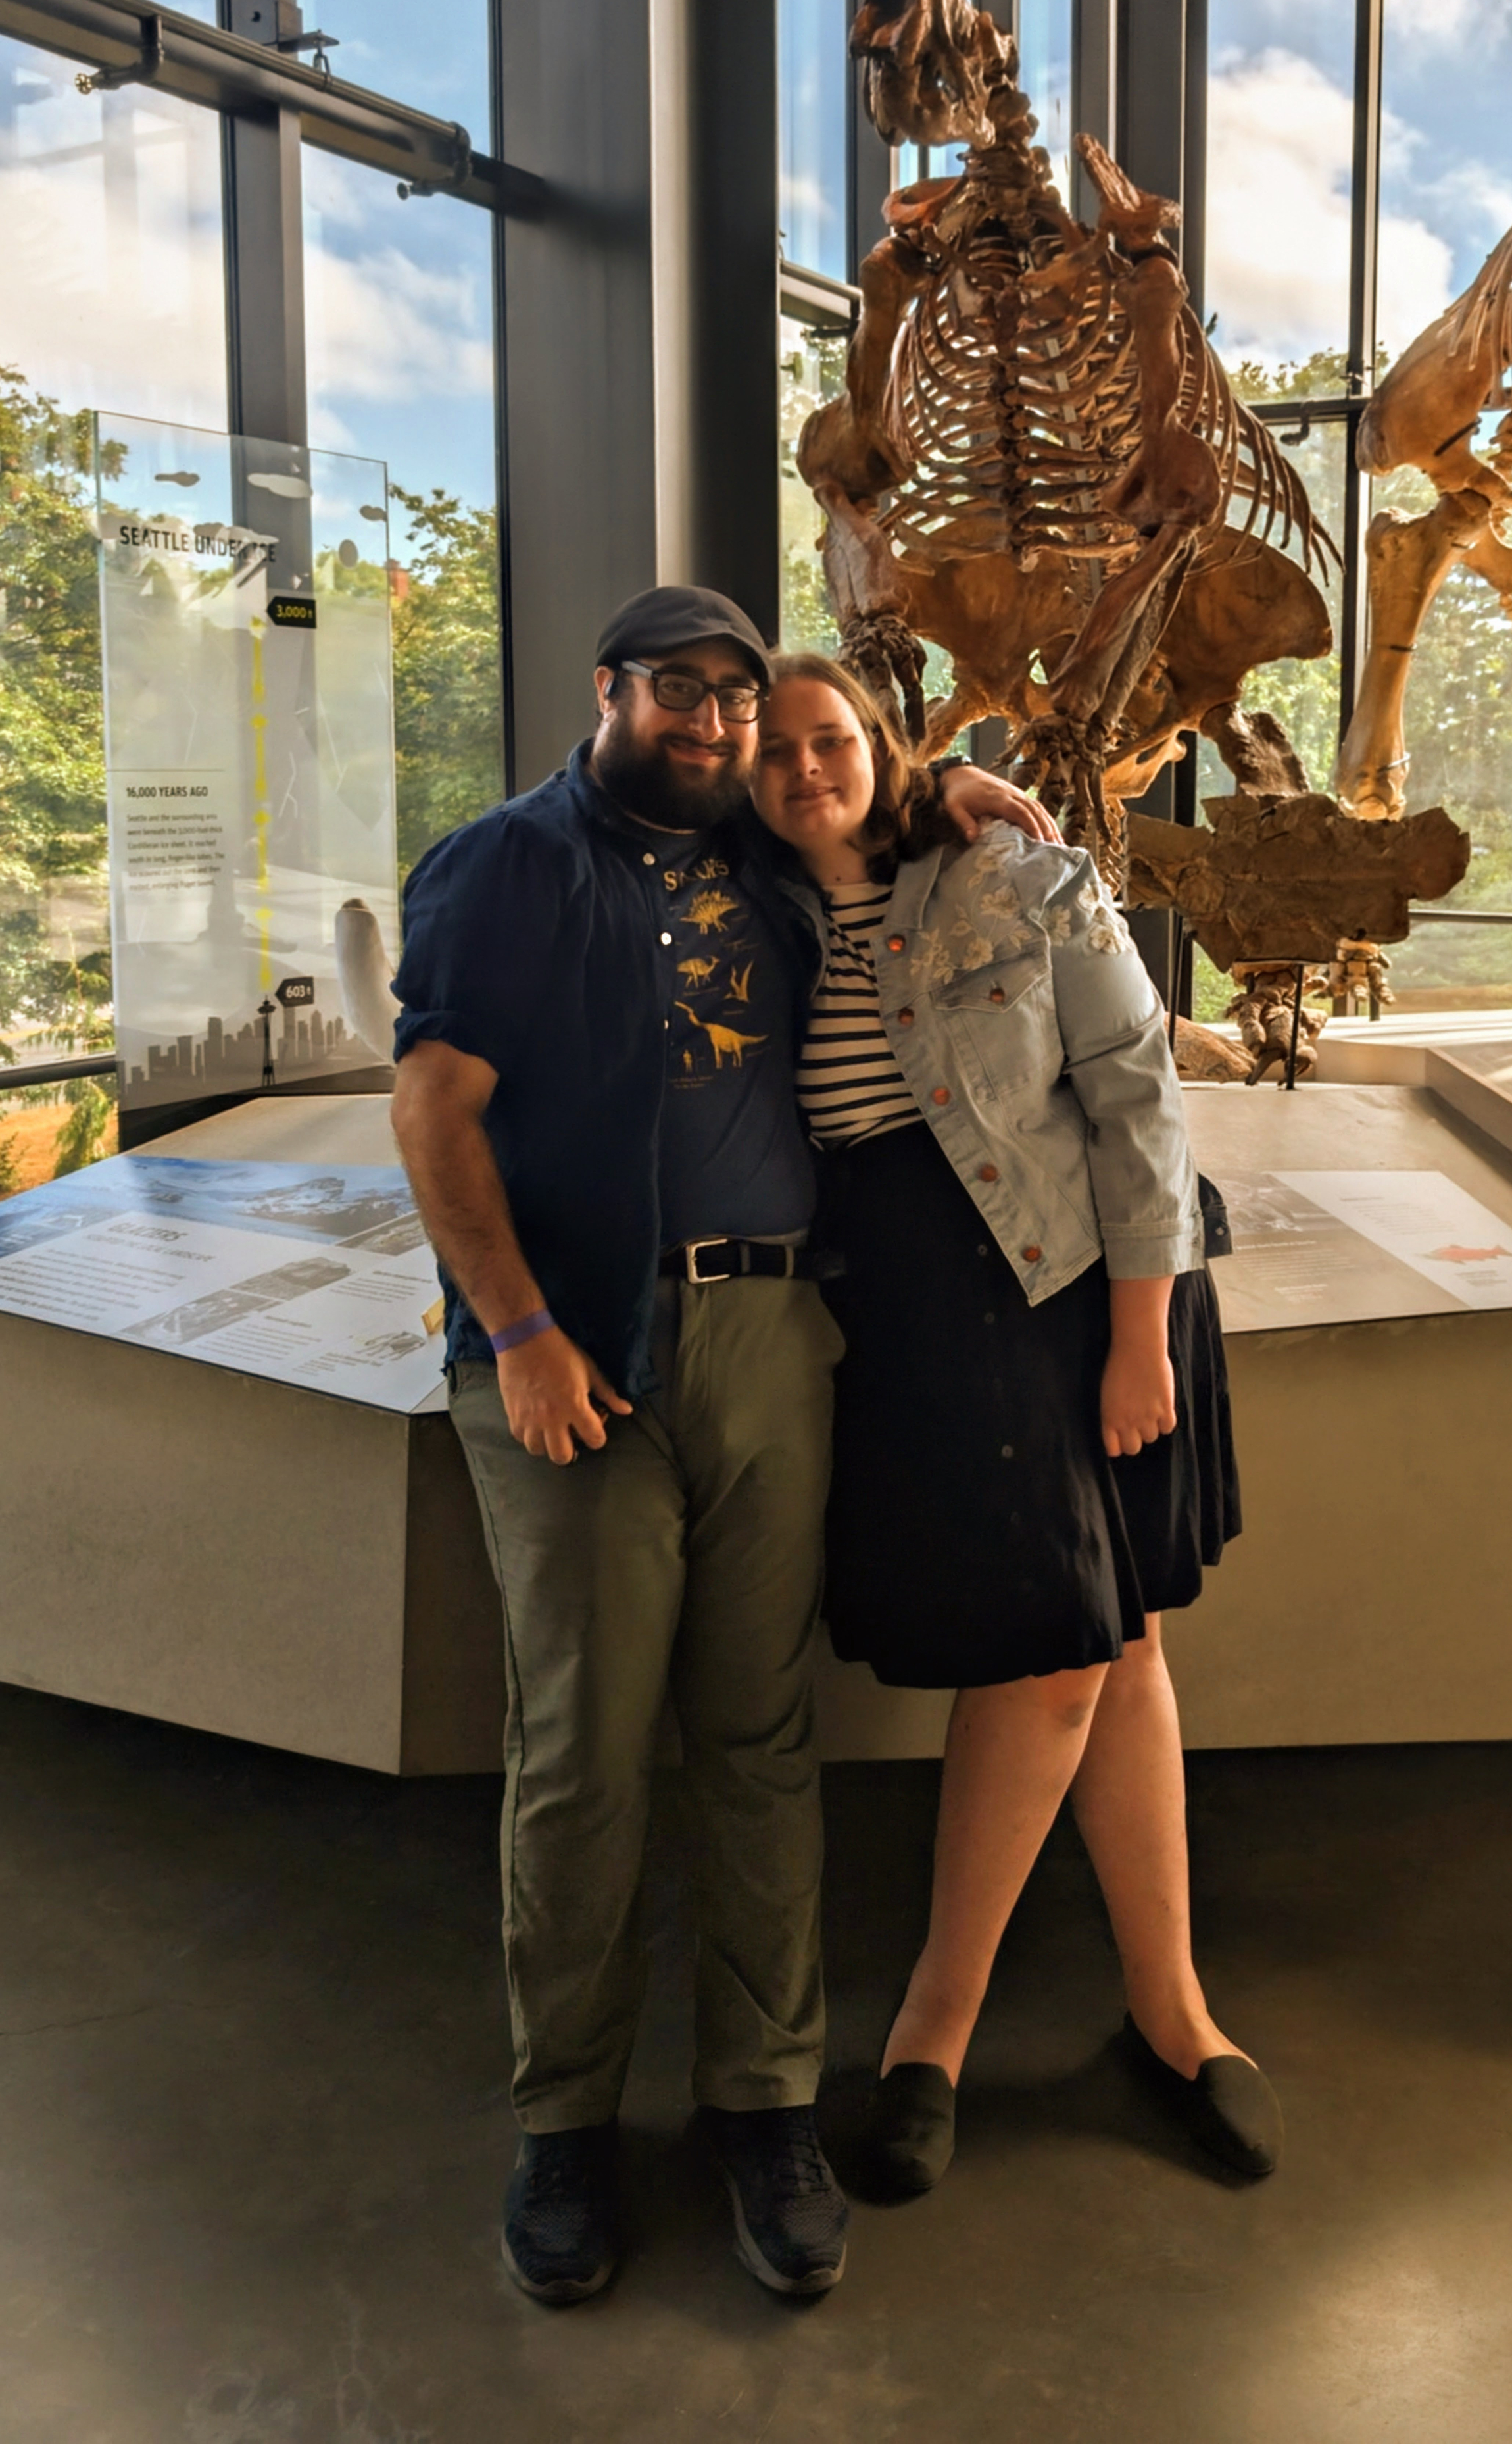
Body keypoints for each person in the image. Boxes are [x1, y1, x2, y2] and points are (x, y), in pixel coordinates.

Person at [387, 586, 1054, 2307]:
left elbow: (874, 826)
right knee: (587, 1749)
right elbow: (433, 1111)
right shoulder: (504, 866)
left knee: (761, 1731)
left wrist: (965, 788)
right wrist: (523, 1335)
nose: (710, 723)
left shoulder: (761, 853)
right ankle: (567, 2122)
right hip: (577, 1352)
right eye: (678, 691)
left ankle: (764, 2104)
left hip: (768, 1334)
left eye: (733, 699)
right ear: (607, 690)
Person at [750, 651, 1277, 2195]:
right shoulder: (748, 912)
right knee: (1090, 1649)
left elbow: (1137, 1095)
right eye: (774, 750)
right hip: (925, 1319)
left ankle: (956, 2017)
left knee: (1087, 1654)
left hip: (1084, 1292)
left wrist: (1135, 1337)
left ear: (882, 739)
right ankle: (1162, 2008)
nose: (804, 768)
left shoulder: (1011, 869)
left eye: (832, 737)